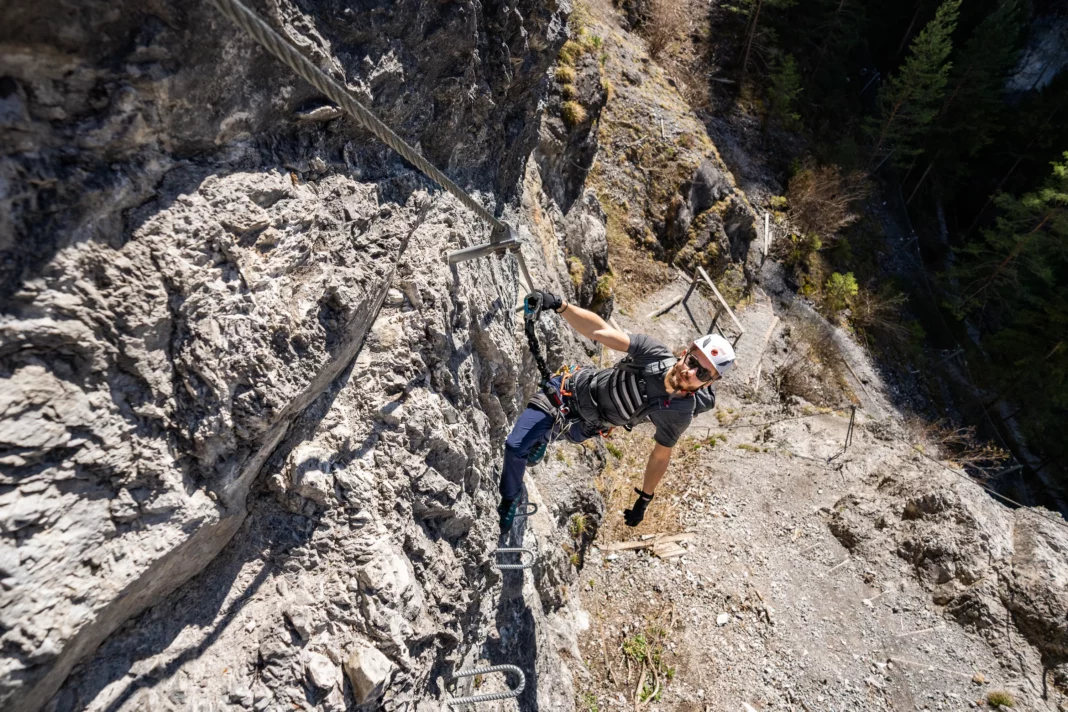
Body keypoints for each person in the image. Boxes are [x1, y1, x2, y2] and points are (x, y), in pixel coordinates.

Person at [498, 289, 736, 534]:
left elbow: (660, 456)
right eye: (693, 362)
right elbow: (599, 331)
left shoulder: (678, 413)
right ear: (685, 353)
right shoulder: (652, 354)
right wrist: (560, 305)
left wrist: (645, 499)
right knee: (516, 447)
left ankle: (542, 439)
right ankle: (511, 496)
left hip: (587, 425)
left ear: (708, 383)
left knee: (555, 435)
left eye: (703, 374)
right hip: (566, 394)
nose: (692, 373)